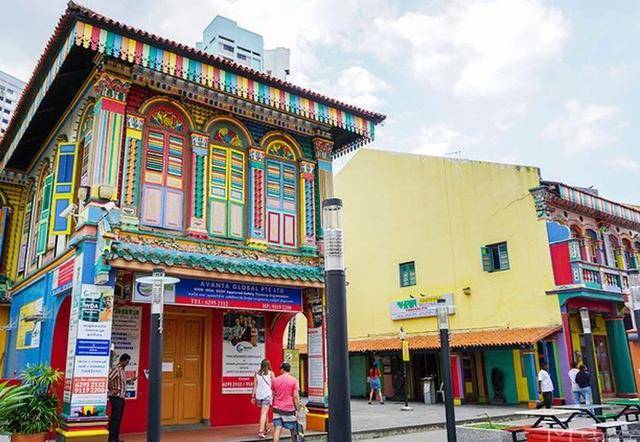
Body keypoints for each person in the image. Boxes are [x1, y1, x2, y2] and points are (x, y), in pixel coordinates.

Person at [108, 353, 135, 442]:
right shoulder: (117, 369)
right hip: (116, 397)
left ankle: (116, 438)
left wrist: (130, 380)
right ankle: (111, 438)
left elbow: (121, 382)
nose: (127, 364)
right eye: (127, 362)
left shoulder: (122, 370)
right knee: (115, 418)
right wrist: (112, 389)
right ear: (123, 360)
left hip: (121, 397)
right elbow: (109, 378)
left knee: (118, 418)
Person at [272, 362, 300, 442]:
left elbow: (273, 394)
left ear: (282, 370)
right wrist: (297, 410)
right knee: (293, 429)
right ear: (289, 370)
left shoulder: (275, 380)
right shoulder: (294, 380)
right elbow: (296, 397)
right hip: (289, 409)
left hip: (277, 408)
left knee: (277, 429)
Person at [251, 359, 275, 439]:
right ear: (269, 365)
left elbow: (255, 385)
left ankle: (267, 428)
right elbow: (274, 385)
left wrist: (253, 396)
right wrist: (275, 395)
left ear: (261, 365)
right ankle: (261, 431)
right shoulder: (271, 373)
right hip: (267, 395)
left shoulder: (257, 373)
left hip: (258, 396)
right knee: (264, 413)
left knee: (264, 412)